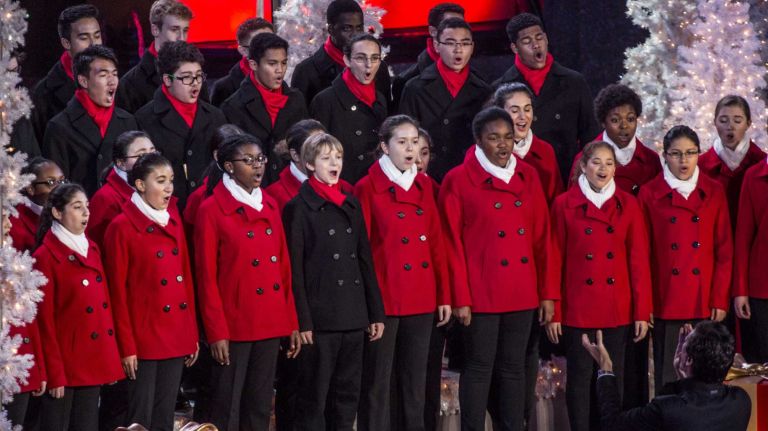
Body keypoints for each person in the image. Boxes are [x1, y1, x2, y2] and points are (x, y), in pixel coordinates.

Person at [439, 107, 556, 431]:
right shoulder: (458, 180)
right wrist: (461, 297)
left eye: (508, 137)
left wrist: (547, 293)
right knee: (478, 368)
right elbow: (452, 245)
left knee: (514, 368)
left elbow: (542, 237)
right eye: (494, 138)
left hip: (522, 290)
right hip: (481, 293)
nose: (504, 145)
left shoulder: (528, 175)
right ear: (478, 140)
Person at [193, 133, 300, 431]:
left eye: (260, 159)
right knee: (225, 406)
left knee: (258, 405)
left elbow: (283, 269)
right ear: (228, 166)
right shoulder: (211, 209)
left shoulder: (269, 204)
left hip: (268, 320)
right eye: (248, 160)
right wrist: (216, 333)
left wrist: (290, 320)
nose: (257, 166)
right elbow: (206, 278)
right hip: (234, 325)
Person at [283, 132, 385, 431]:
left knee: (347, 396)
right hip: (320, 319)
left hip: (353, 316)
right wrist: (302, 321)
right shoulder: (298, 208)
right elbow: (295, 271)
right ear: (310, 164)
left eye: (338, 157)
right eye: (326, 158)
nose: (334, 163)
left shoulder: (350, 204)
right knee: (314, 398)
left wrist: (375, 312)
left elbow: (364, 260)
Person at [354, 115, 451, 431]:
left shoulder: (424, 185)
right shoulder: (367, 188)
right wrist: (370, 306)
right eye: (402, 142)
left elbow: (436, 243)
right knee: (378, 385)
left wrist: (444, 295)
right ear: (384, 146)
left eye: (414, 142)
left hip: (421, 297)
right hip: (385, 300)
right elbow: (363, 253)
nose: (410, 150)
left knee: (415, 383)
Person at [547, 141, 651, 431]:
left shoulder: (628, 205)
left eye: (609, 163)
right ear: (583, 165)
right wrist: (554, 310)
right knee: (579, 381)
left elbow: (639, 262)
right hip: (578, 307)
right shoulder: (563, 204)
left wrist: (642, 310)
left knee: (611, 376)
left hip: (617, 307)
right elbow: (554, 260)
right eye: (596, 162)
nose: (603, 169)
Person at [103, 153, 199, 431]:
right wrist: (127, 346)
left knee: (164, 415)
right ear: (140, 185)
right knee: (139, 418)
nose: (169, 188)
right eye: (160, 181)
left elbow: (185, 282)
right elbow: (117, 294)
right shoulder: (121, 227)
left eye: (170, 180)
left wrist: (190, 333)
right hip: (143, 339)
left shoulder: (172, 219)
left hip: (173, 333)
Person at [637, 125, 733, 392]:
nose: (684, 160)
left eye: (690, 153)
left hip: (704, 300)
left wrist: (718, 297)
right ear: (665, 155)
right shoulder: (650, 193)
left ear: (698, 155)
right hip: (666, 297)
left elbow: (724, 251)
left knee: (707, 376)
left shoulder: (714, 191)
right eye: (676, 153)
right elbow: (641, 255)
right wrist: (646, 303)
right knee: (668, 377)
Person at [34, 183, 124, 431]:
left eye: (87, 207)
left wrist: (109, 358)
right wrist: (54, 372)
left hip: (91, 360)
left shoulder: (91, 248)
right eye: (77, 207)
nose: (86, 213)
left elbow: (103, 310)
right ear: (57, 213)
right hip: (66, 365)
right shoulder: (45, 256)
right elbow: (45, 321)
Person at [584, 321, 751, 431]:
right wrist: (683, 375)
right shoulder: (741, 401)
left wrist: (606, 369)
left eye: (685, 343)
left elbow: (613, 425)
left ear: (689, 359)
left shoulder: (667, 408)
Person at [494, 13, 599, 184]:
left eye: (539, 37)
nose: (536, 45)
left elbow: (590, 134)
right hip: (518, 179)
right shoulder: (500, 88)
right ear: (515, 48)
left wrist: (583, 171)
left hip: (566, 176)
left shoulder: (574, 81)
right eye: (527, 41)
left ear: (546, 39)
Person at [135, 41, 226, 209]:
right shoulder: (144, 119)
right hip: (167, 210)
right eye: (186, 77)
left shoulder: (215, 116)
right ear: (167, 80)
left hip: (208, 208)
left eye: (199, 76)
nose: (195, 83)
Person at [400, 18, 492, 183]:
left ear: (472, 47)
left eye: (464, 43)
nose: (458, 50)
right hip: (428, 175)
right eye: (450, 43)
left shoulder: (483, 90)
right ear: (437, 46)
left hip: (469, 176)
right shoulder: (415, 88)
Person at [42, 45, 137, 196]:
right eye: (103, 75)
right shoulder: (59, 128)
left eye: (115, 74)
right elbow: (55, 189)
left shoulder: (127, 121)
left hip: (121, 212)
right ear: (83, 81)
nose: (112, 82)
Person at [222, 32, 308, 185]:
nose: (280, 70)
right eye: (272, 63)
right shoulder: (234, 106)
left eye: (283, 62)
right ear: (254, 65)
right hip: (254, 188)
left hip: (291, 185)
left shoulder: (296, 100)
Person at [311, 34, 388, 184]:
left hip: (375, 184)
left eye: (374, 58)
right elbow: (316, 152)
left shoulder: (380, 99)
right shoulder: (325, 101)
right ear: (346, 60)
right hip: (343, 184)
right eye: (360, 58)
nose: (369, 65)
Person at [291, 0, 392, 108]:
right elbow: (300, 121)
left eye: (359, 28)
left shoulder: (379, 68)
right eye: (347, 28)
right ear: (331, 30)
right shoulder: (306, 71)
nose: (355, 35)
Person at [569, 84, 661, 196]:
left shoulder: (652, 160)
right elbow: (571, 205)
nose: (624, 126)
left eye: (630, 119)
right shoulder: (584, 159)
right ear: (603, 122)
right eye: (615, 120)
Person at [117, 0, 205, 113]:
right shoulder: (130, 84)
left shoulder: (196, 75)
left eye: (185, 30)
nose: (182, 38)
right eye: (174, 30)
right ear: (155, 30)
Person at [31, 4, 102, 142]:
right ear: (66, 43)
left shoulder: (114, 81)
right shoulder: (43, 95)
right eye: (84, 38)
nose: (94, 44)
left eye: (97, 36)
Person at [4, 213, 47, 427]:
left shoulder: (16, 266)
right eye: (2, 218)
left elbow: (31, 322)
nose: (9, 224)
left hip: (18, 366)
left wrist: (38, 368)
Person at [698, 95, 764, 229]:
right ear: (715, 122)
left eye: (737, 121)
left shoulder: (762, 164)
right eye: (723, 120)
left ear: (748, 123)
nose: (730, 126)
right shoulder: (700, 166)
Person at [493, 82, 562, 205]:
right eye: (515, 111)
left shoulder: (545, 151)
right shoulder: (488, 151)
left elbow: (556, 203)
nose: (523, 116)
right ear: (499, 114)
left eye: (527, 109)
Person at [87, 131, 157, 248]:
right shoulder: (105, 198)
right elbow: (96, 246)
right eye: (141, 155)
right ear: (121, 163)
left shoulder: (161, 188)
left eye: (153, 152)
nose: (151, 160)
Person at [392, 3, 465, 110]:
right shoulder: (405, 83)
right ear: (433, 31)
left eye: (462, 26)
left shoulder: (475, 78)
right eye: (451, 26)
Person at [733, 149, 768, 363]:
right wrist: (741, 291)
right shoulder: (754, 176)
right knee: (763, 361)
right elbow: (743, 236)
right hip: (762, 289)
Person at [210, 17, 274, 107]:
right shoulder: (224, 88)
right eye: (259, 45)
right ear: (243, 50)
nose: (269, 50)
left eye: (272, 43)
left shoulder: (284, 84)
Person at [265, 119, 327, 212]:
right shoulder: (273, 196)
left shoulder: (344, 188)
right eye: (314, 148)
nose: (325, 154)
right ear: (295, 155)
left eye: (326, 145)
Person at [10, 158, 65, 252]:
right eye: (51, 182)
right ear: (30, 188)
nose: (60, 188)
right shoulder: (14, 227)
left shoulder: (68, 214)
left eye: (61, 181)